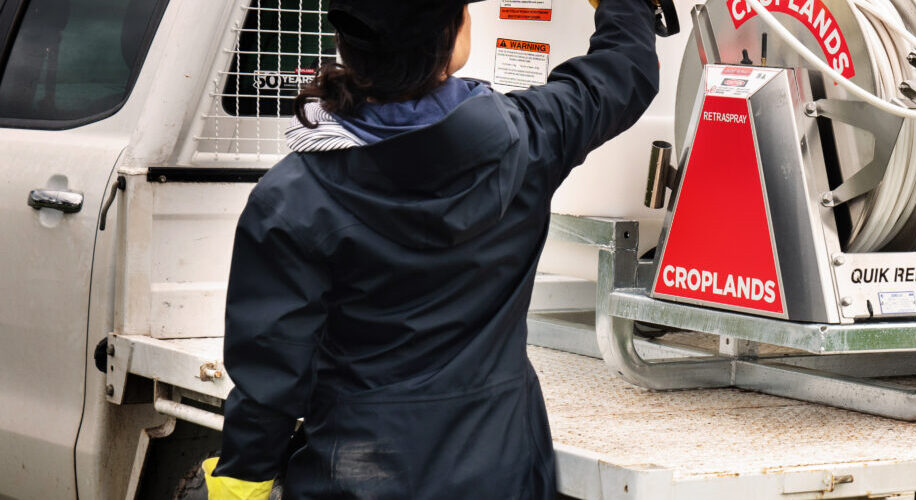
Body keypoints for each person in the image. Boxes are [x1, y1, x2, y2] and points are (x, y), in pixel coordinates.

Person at [199, 0, 661, 497]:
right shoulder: (528, 140)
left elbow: (270, 374)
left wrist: (242, 480)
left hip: (356, 474)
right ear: (453, 40)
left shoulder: (292, 198)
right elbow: (620, 73)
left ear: (345, 47)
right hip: (502, 471)